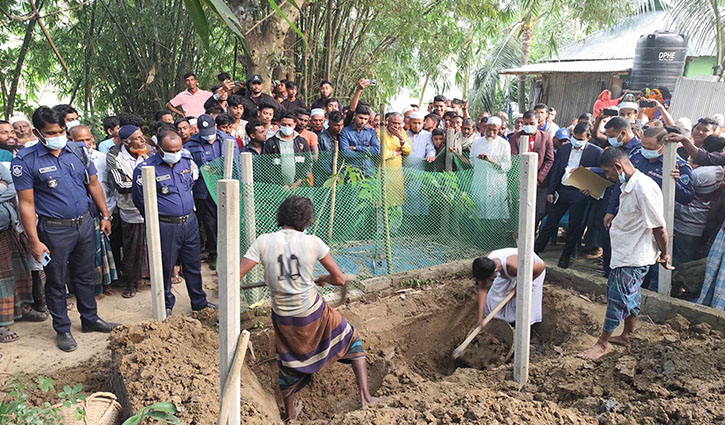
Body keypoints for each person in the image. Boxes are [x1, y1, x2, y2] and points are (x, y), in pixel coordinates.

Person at [238, 196, 380, 420]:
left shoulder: (263, 241)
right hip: (312, 313)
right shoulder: (313, 243)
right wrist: (323, 278)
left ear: (282, 216)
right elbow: (340, 280)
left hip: (284, 317)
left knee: (287, 361)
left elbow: (236, 274)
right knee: (352, 338)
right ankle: (366, 397)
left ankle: (290, 414)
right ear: (306, 221)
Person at [12, 107, 119, 352]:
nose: (57, 136)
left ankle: (90, 319)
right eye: (51, 132)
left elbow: (93, 185)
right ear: (38, 133)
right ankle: (62, 329)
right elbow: (26, 204)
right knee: (57, 281)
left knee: (85, 275)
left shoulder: (79, 152)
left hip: (84, 224)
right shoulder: (26, 160)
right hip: (54, 230)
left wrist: (105, 215)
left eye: (61, 131)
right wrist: (34, 240)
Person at [580, 147, 670, 360]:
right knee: (631, 295)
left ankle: (601, 344)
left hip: (633, 255)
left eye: (609, 173)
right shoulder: (629, 184)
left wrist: (665, 254)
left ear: (618, 167)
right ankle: (626, 335)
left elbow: (659, 228)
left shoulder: (643, 188)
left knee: (616, 298)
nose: (608, 177)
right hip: (626, 250)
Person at [132, 127, 215, 316]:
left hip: (189, 223)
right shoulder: (146, 169)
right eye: (170, 151)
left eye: (178, 150)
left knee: (193, 265)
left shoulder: (186, 161)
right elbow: (140, 200)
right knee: (165, 267)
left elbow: (191, 185)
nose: (175, 154)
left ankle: (199, 303)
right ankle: (166, 305)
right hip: (165, 226)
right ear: (159, 148)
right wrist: (156, 221)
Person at [535, 122, 603, 268]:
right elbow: (557, 169)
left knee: (574, 226)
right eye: (575, 138)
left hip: (580, 193)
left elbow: (601, 173)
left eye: (580, 139)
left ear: (588, 138)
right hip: (562, 190)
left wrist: (590, 187)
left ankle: (566, 256)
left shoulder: (596, 152)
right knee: (551, 221)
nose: (576, 141)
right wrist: (551, 191)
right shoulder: (565, 149)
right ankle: (536, 250)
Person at [185, 114, 239, 271]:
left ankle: (232, 253)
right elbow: (191, 170)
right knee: (211, 224)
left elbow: (237, 165)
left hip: (227, 189)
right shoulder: (191, 145)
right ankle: (215, 254)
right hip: (204, 191)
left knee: (229, 221)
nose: (209, 137)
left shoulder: (228, 140)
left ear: (215, 126)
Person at [69, 125, 118, 294]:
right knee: (84, 256)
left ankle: (106, 284)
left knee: (101, 251)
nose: (85, 144)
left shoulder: (103, 158)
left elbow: (105, 186)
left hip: (102, 211)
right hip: (81, 214)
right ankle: (89, 290)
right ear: (70, 141)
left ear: (93, 139)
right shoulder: (67, 160)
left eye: (87, 139)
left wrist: (107, 214)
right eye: (79, 141)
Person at [107, 125, 150, 298]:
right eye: (137, 138)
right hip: (130, 210)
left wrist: (133, 180)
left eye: (142, 136)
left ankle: (154, 277)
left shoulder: (151, 151)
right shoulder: (114, 157)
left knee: (153, 245)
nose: (142, 140)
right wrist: (144, 182)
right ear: (126, 141)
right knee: (132, 248)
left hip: (153, 207)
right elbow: (120, 185)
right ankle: (131, 283)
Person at [0, 159, 37, 344]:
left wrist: (5, 187)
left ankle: (19, 309)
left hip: (7, 229)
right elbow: (6, 188)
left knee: (16, 273)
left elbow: (13, 187)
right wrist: (2, 188)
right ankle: (1, 325)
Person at [455, 117, 511, 220]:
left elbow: (507, 166)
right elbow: (472, 162)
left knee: (496, 214)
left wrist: (490, 161)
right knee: (478, 213)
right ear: (485, 128)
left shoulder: (504, 144)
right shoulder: (477, 143)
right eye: (489, 129)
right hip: (479, 182)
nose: (491, 132)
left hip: (496, 184)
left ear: (499, 130)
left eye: (494, 130)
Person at [472, 250, 545, 327]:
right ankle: (498, 320)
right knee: (494, 299)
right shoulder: (485, 264)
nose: (489, 281)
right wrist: (480, 317)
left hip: (532, 271)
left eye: (490, 278)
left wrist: (524, 284)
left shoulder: (514, 266)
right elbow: (482, 288)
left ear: (496, 271)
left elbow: (541, 266)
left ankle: (525, 328)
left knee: (524, 303)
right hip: (511, 271)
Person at [508, 110, 555, 227]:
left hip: (540, 183)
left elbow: (549, 160)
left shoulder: (546, 137)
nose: (529, 126)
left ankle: (533, 233)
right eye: (526, 123)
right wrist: (522, 178)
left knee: (539, 211)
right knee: (521, 211)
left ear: (538, 123)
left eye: (532, 123)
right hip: (521, 182)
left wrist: (538, 179)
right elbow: (514, 160)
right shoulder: (515, 139)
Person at [263, 111, 312, 187]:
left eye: (289, 125)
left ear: (295, 124)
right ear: (279, 124)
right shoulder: (271, 142)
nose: (287, 127)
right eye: (284, 124)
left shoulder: (302, 142)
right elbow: (266, 165)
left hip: (299, 186)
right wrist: (280, 185)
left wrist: (299, 181)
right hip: (277, 188)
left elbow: (308, 163)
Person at [379, 112, 411, 206]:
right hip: (382, 171)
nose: (397, 126)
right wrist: (397, 153)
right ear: (388, 122)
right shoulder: (379, 132)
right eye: (394, 123)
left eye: (399, 123)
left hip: (397, 173)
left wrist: (401, 137)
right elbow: (383, 154)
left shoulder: (402, 133)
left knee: (396, 203)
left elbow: (408, 150)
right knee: (382, 202)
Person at [339, 105, 380, 176]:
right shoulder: (345, 131)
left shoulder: (371, 132)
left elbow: (377, 150)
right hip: (352, 172)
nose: (363, 121)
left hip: (369, 171)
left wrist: (356, 148)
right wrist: (367, 153)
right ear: (355, 115)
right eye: (360, 118)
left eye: (365, 119)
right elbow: (345, 153)